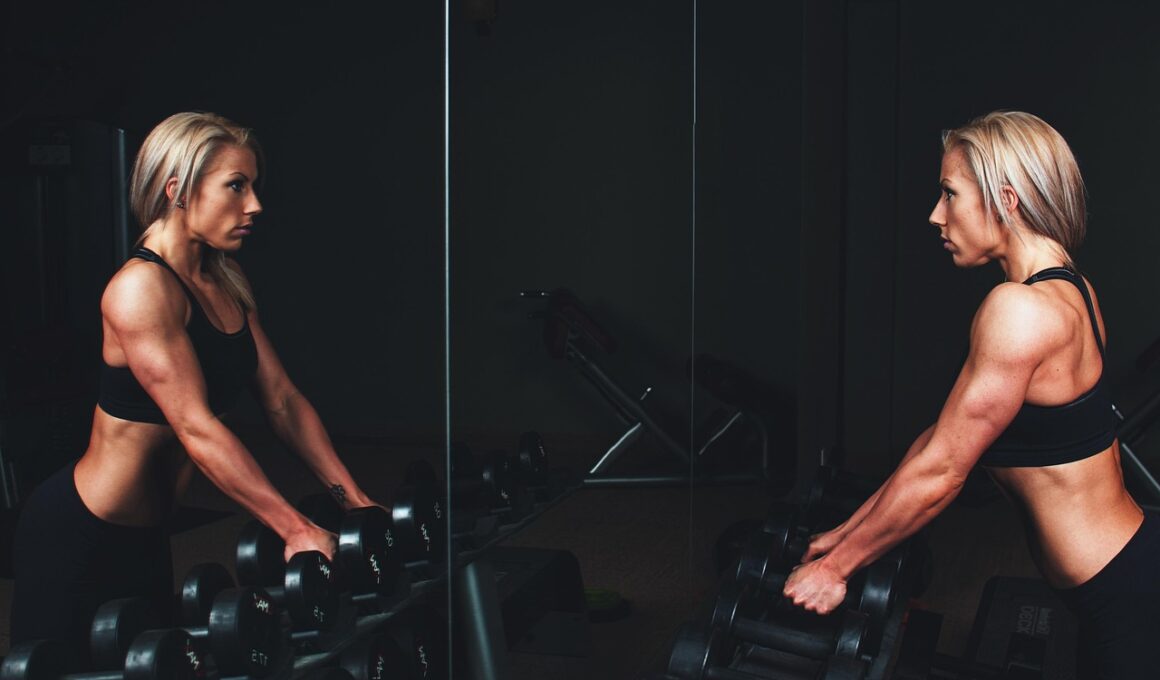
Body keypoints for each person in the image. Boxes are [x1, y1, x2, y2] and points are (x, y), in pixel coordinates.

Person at [782, 110, 1159, 678]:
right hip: (1125, 573)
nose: (937, 214)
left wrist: (834, 572)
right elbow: (940, 441)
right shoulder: (1073, 289)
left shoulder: (1019, 312)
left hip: (1124, 594)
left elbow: (945, 472)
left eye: (950, 193)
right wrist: (847, 535)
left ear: (1005, 199)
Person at [9, 111, 382, 666]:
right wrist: (295, 529)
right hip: (79, 534)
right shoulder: (140, 289)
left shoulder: (223, 281)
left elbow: (282, 401)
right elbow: (196, 427)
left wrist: (355, 504)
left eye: (253, 186)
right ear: (177, 189)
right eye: (236, 186)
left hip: (148, 539)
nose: (255, 205)